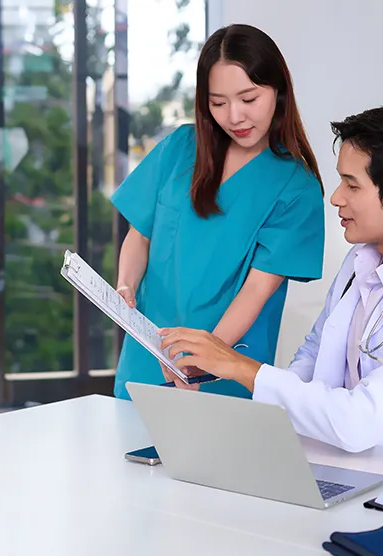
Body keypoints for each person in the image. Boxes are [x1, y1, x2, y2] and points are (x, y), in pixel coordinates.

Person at [156, 106, 383, 460]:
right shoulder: (362, 262)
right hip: (357, 471)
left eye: (352, 185)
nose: (336, 197)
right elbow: (314, 357)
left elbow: (359, 421)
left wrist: (240, 366)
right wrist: (249, 403)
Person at [110, 24, 326, 400]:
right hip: (147, 358)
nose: (235, 116)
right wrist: (125, 286)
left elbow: (259, 288)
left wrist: (201, 357)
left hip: (223, 370)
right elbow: (139, 235)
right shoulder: (178, 148)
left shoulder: (296, 188)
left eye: (249, 98)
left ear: (278, 91)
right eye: (218, 102)